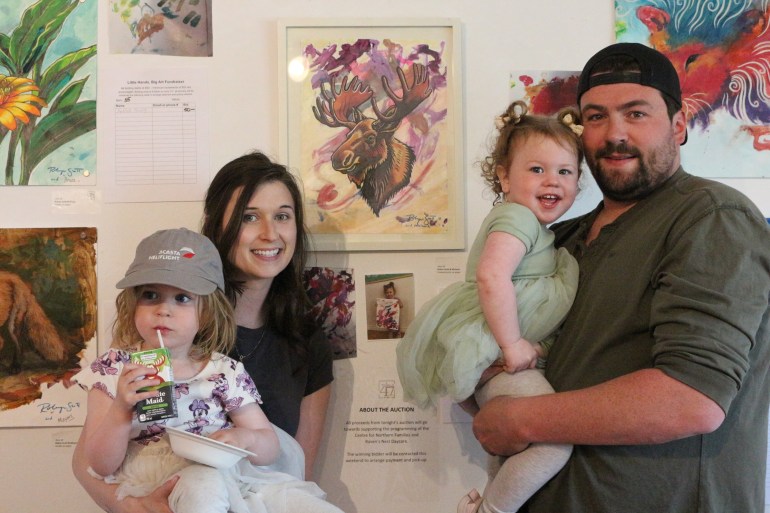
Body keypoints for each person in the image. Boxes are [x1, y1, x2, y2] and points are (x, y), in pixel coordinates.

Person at [472, 42, 770, 513]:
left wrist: (522, 418)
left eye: (635, 114)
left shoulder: (712, 218)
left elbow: (691, 398)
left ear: (677, 125)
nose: (614, 134)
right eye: (595, 117)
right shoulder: (559, 236)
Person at [72, 153, 336, 512]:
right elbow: (89, 462)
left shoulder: (305, 341)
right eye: (249, 216)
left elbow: (297, 467)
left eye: (282, 216)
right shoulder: (159, 334)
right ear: (219, 226)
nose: (270, 233)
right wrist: (133, 507)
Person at [397, 101, 583, 513]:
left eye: (565, 171)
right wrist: (513, 343)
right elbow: (491, 277)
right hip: (494, 348)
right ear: (503, 177)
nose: (552, 180)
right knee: (553, 441)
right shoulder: (517, 218)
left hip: (491, 349)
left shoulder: (534, 226)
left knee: (513, 449)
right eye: (537, 169)